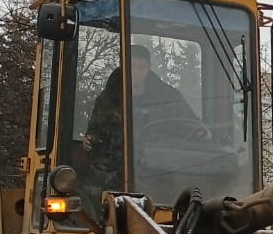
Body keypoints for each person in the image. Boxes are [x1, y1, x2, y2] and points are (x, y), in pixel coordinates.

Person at [83, 45, 204, 180]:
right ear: (122, 66)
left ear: (148, 67)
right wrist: (89, 140)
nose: (136, 72)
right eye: (132, 66)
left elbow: (191, 123)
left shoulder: (169, 97)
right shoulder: (108, 99)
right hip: (114, 171)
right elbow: (94, 132)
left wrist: (201, 133)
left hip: (161, 170)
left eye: (142, 67)